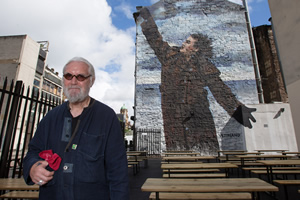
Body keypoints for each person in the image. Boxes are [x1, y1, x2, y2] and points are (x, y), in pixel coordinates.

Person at [139, 7, 256, 153]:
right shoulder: (168, 56)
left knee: (207, 149)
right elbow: (155, 39)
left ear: (195, 49)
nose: (183, 43)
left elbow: (219, 89)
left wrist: (237, 109)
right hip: (174, 116)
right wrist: (147, 19)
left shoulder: (204, 65)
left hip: (199, 116)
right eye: (185, 41)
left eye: (188, 42)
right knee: (177, 151)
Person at [23, 57, 129, 200]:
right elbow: (33, 152)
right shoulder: (51, 117)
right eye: (68, 76)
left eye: (80, 77)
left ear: (91, 80)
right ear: (63, 80)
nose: (73, 81)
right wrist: (32, 168)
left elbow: (118, 171)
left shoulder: (106, 117)